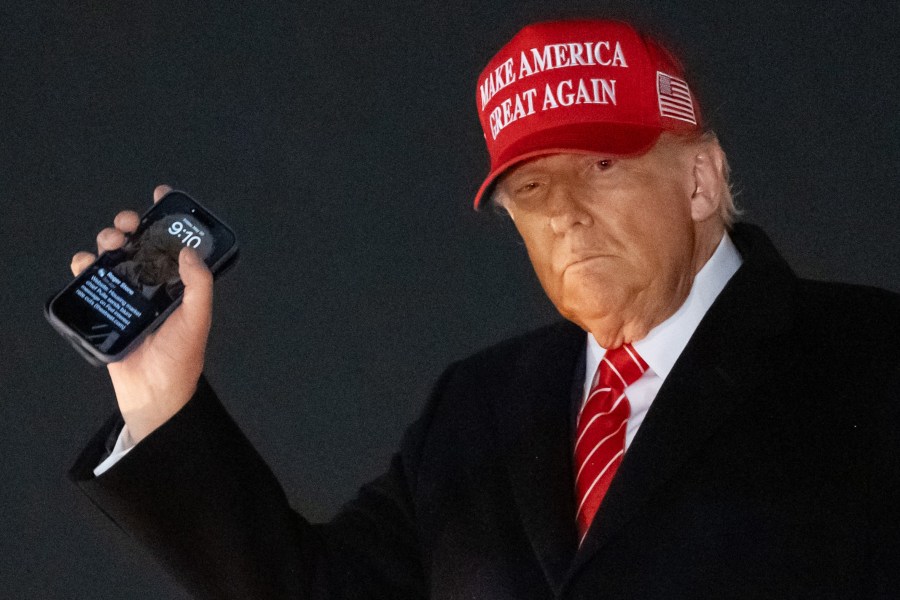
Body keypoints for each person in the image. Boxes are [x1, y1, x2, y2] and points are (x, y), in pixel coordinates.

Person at [68, 19, 899, 599]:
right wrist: (160, 395)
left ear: (700, 180)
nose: (567, 212)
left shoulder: (870, 362)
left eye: (603, 165)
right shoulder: (477, 409)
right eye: (532, 189)